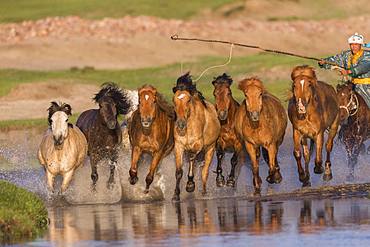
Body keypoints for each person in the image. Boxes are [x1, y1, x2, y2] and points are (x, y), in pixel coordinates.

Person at [318, 33, 370, 109]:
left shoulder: (367, 55)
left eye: (356, 44)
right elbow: (335, 60)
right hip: (351, 85)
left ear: (360, 45)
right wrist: (324, 62)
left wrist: (349, 72)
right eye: (351, 44)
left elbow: (364, 66)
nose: (353, 47)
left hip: (367, 87)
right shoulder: (346, 55)